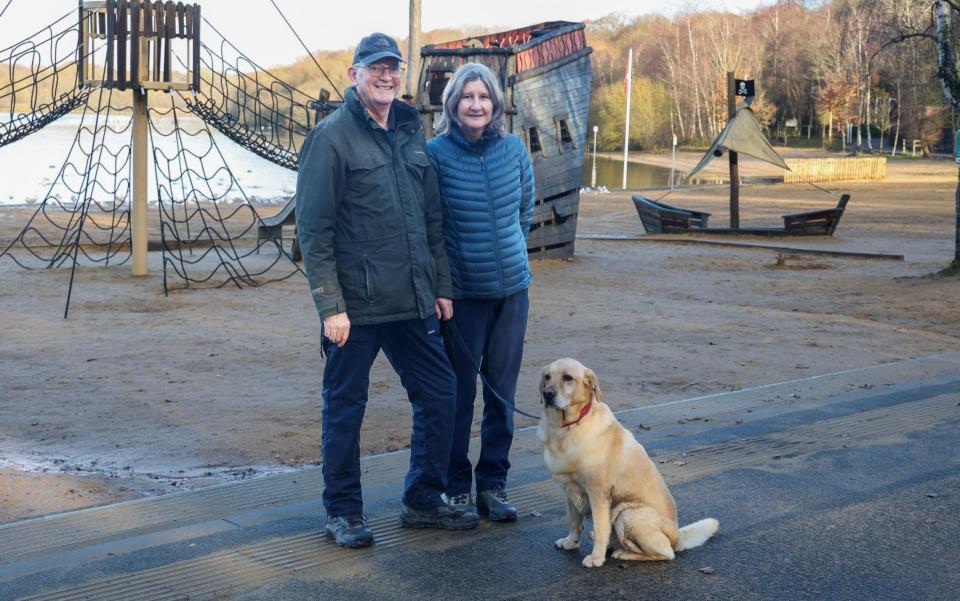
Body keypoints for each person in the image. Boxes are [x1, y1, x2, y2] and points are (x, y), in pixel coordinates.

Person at [295, 33, 479, 548]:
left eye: (393, 68)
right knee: (345, 406)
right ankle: (343, 512)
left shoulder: (410, 133)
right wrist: (330, 306)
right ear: (354, 75)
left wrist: (440, 286)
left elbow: (431, 219)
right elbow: (313, 231)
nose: (386, 76)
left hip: (412, 300)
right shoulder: (331, 138)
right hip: (354, 308)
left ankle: (423, 499)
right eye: (375, 67)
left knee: (441, 393)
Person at [426, 62, 535, 522]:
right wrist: (443, 285)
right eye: (467, 97)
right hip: (462, 295)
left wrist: (508, 256)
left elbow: (525, 210)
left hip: (511, 292)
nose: (476, 104)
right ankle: (455, 486)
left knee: (502, 394)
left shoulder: (514, 150)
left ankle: (493, 483)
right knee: (459, 394)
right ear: (453, 103)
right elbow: (430, 226)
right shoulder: (435, 153)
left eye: (484, 97)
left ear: (495, 104)